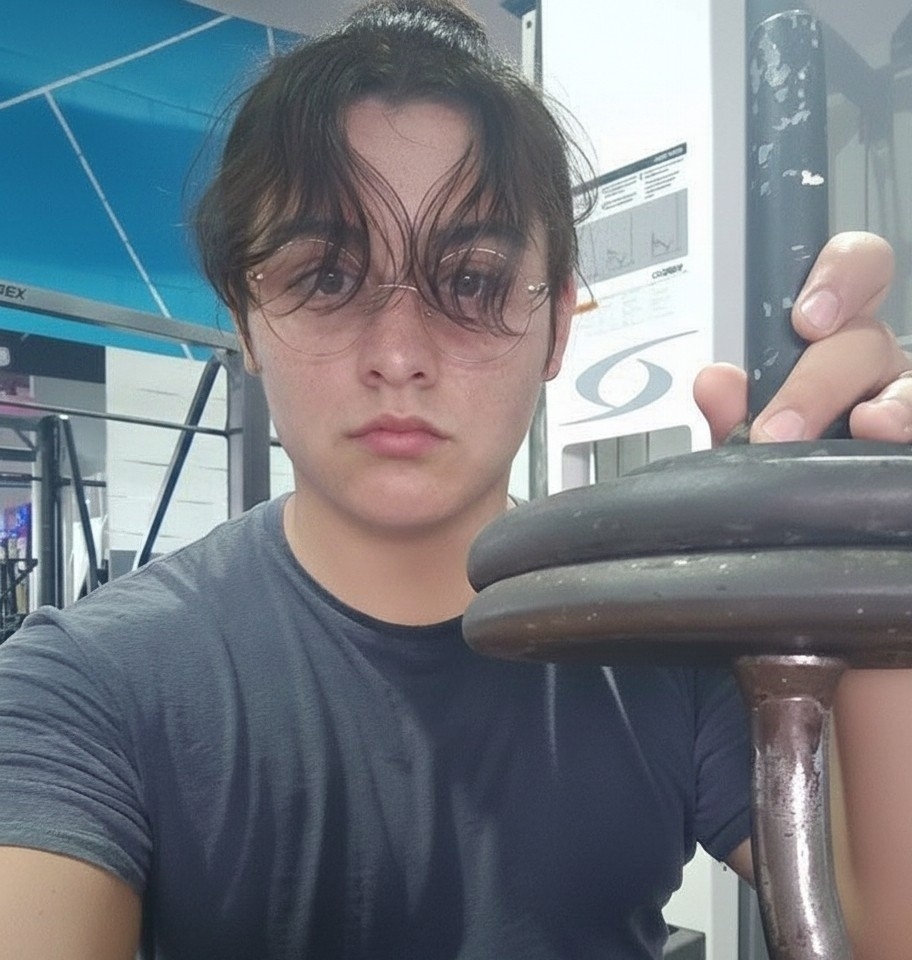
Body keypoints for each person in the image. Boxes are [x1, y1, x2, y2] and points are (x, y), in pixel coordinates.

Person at [0, 2, 910, 958]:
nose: (399, 355)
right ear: (245, 319)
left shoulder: (663, 653)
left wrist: (873, 566)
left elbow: (879, 931)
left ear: (557, 326)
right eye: (326, 277)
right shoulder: (83, 687)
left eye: (472, 282)